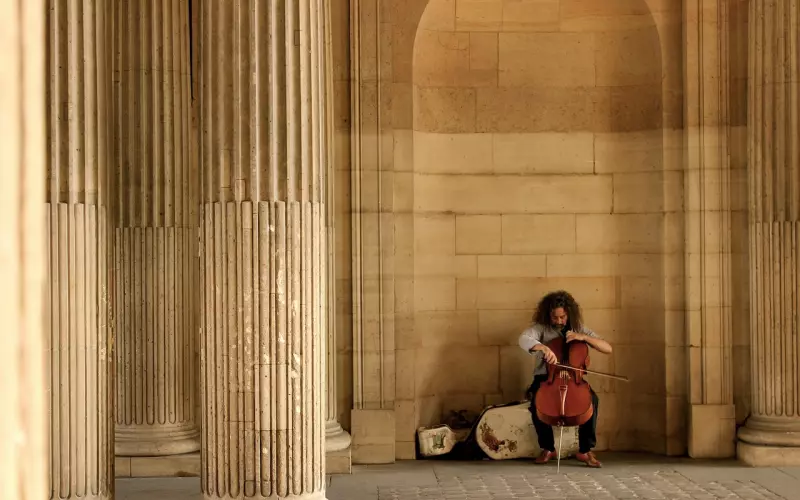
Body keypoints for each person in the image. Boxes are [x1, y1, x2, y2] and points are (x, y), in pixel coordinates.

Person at [518, 290, 612, 468]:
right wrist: (543, 348)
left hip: (573, 378)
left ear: (569, 313)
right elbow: (524, 339)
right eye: (555, 318)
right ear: (548, 315)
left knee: (592, 401)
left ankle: (585, 450)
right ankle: (548, 448)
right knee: (536, 403)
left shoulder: (577, 327)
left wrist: (583, 337)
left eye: (563, 317)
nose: (559, 322)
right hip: (547, 377)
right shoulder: (541, 328)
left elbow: (607, 348)